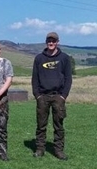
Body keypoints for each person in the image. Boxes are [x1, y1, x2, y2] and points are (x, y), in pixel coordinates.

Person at [31, 32, 72, 160]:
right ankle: (40, 149)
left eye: (53, 41)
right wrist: (37, 95)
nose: (51, 43)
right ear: (46, 42)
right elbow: (34, 79)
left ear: (57, 42)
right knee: (41, 124)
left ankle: (58, 150)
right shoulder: (39, 58)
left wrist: (63, 96)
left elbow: (68, 79)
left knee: (58, 125)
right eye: (49, 40)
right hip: (42, 96)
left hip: (58, 96)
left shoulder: (64, 58)